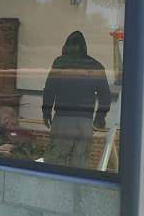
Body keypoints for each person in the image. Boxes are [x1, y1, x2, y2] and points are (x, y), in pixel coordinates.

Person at [42, 30, 111, 169]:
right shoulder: (96, 66)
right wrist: (100, 117)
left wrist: (46, 111)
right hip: (85, 122)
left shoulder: (60, 62)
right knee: (79, 164)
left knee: (55, 164)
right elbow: (105, 95)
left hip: (63, 120)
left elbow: (50, 89)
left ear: (66, 46)